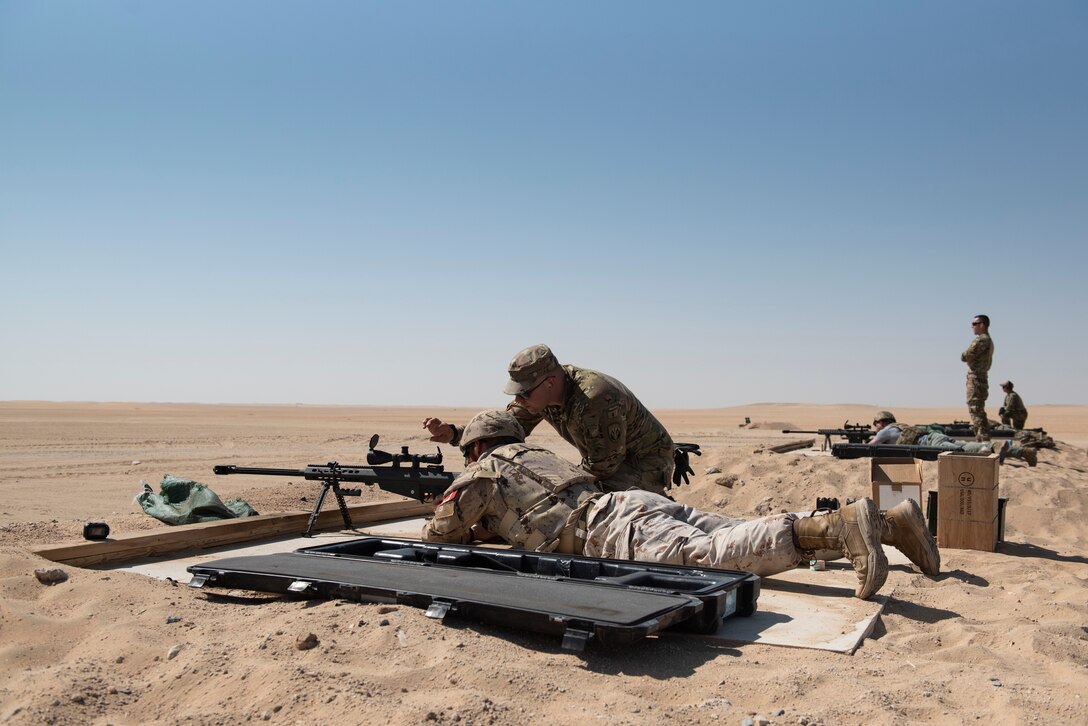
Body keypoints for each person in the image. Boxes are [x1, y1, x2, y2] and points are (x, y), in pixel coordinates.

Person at [422, 410, 944, 602]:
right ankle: (891, 524)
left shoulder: (480, 472)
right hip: (635, 501)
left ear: (474, 448)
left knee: (718, 555)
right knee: (742, 531)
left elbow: (439, 536)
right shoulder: (535, 452)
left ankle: (850, 525)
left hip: (608, 530)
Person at [422, 344, 676, 495]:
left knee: (593, 504)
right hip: (605, 458)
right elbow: (507, 426)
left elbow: (603, 466)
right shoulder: (540, 396)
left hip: (642, 461)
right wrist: (455, 433)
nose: (519, 399)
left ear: (550, 382)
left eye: (524, 392)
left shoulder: (595, 399)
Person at [869, 411, 1036, 466]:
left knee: (961, 449)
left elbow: (872, 446)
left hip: (931, 442)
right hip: (935, 437)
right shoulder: (900, 426)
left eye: (876, 423)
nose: (876, 427)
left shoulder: (885, 431)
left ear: (881, 422)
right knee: (964, 444)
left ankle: (989, 446)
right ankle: (1023, 451)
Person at [962, 314, 994, 440]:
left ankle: (984, 441)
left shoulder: (981, 339)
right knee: (977, 409)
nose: (972, 327)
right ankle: (983, 440)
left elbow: (966, 356)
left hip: (976, 378)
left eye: (975, 324)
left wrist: (965, 355)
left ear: (982, 325)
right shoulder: (988, 340)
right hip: (980, 378)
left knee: (975, 409)